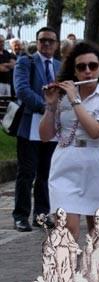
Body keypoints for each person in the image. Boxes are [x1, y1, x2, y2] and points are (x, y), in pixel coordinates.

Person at [37, 41, 99, 282]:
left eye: (92, 66)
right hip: (66, 164)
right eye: (81, 67)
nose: (87, 71)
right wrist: (51, 107)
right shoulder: (61, 97)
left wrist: (75, 100)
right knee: (66, 229)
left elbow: (97, 131)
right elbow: (44, 135)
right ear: (73, 70)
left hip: (97, 164)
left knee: (98, 231)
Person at [12, 27, 61, 232]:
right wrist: (45, 107)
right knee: (27, 173)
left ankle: (41, 214)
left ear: (56, 44)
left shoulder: (60, 66)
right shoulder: (26, 62)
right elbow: (22, 89)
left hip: (53, 129)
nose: (47, 44)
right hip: (31, 125)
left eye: (50, 41)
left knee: (46, 173)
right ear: (37, 42)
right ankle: (20, 215)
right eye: (43, 40)